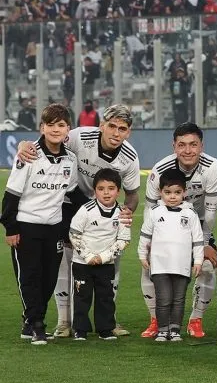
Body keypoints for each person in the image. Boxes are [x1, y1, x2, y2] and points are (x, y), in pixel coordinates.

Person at [17, 103, 141, 337]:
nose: (116, 133)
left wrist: (127, 212)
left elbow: (133, 193)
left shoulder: (130, 158)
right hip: (67, 205)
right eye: (111, 126)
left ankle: (109, 321)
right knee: (66, 262)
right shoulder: (79, 136)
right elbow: (49, 141)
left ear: (129, 132)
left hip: (104, 213)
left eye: (122, 129)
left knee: (110, 263)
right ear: (101, 125)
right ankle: (64, 322)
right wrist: (26, 145)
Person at [2, 104, 83, 345]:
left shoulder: (70, 159)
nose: (55, 130)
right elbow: (11, 194)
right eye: (50, 125)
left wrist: (99, 208)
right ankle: (37, 324)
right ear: (42, 127)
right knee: (30, 277)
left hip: (54, 228)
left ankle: (30, 323)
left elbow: (73, 193)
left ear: (68, 129)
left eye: (61, 125)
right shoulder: (28, 155)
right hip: (26, 227)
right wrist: (11, 227)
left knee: (48, 280)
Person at [139, 123, 217, 339]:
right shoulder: (159, 170)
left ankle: (195, 319)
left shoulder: (213, 167)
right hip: (164, 226)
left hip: (198, 225)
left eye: (193, 145)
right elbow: (150, 210)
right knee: (149, 267)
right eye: (182, 145)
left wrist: (204, 244)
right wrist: (149, 244)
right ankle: (156, 320)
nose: (188, 150)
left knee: (206, 266)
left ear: (202, 146)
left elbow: (211, 213)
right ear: (173, 146)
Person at [138, 169, 205, 342]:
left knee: (178, 299)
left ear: (184, 192)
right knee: (164, 299)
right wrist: (142, 255)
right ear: (161, 192)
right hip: (160, 264)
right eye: (167, 192)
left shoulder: (190, 214)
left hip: (182, 264)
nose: (172, 196)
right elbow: (145, 235)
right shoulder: (155, 212)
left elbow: (197, 240)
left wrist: (197, 261)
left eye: (177, 192)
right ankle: (162, 330)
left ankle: (175, 330)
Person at [68, 168, 131, 341]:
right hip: (82, 263)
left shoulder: (123, 213)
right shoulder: (85, 210)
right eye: (101, 189)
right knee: (82, 297)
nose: (106, 193)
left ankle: (105, 329)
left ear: (118, 191)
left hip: (106, 264)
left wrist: (103, 257)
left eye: (111, 188)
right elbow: (74, 235)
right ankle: (80, 330)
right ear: (95, 190)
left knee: (106, 297)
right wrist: (88, 256)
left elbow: (124, 240)